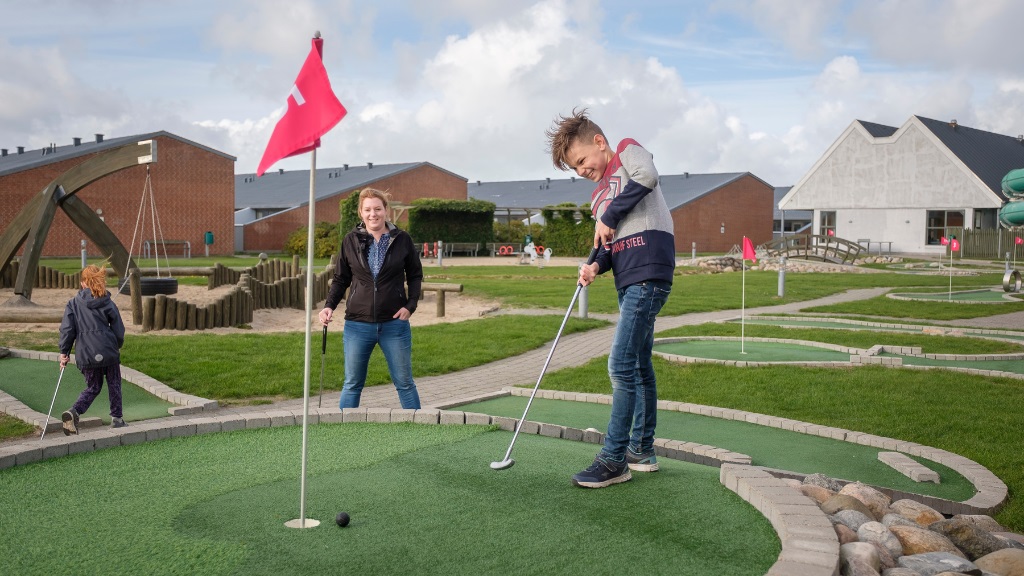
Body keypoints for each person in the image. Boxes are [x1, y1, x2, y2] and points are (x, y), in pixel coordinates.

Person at [546, 108, 675, 488]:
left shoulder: (627, 152)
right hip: (628, 278)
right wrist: (595, 266)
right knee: (639, 365)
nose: (581, 170)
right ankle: (641, 450)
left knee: (620, 365)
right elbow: (609, 244)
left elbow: (648, 177)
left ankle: (613, 459)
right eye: (575, 167)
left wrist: (610, 216)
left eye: (582, 160)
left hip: (650, 272)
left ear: (599, 142)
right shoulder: (598, 197)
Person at [318, 188, 423, 409]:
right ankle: (344, 428)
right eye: (367, 210)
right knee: (352, 384)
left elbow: (415, 275)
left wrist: (410, 305)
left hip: (394, 324)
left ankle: (417, 426)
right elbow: (341, 279)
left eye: (377, 209)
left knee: (405, 383)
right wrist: (329, 306)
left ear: (386, 210)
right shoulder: (350, 240)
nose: (372, 214)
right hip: (357, 324)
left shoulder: (402, 239)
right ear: (361, 212)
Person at [58, 264, 127, 434]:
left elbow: (67, 330)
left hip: (86, 353)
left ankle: (74, 411)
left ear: (83, 283)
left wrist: (64, 352)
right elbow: (118, 329)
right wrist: (116, 345)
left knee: (93, 387)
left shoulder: (73, 304)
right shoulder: (108, 301)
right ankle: (117, 419)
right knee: (114, 383)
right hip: (108, 350)